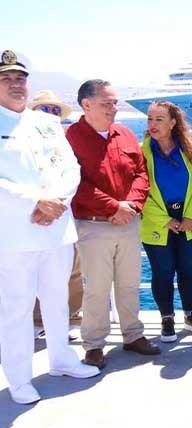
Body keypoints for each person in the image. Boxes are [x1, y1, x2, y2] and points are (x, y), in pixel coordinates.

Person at [0, 50, 99, 405]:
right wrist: (35, 202)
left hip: (56, 229)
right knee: (16, 309)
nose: (15, 84)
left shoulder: (46, 124)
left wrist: (56, 201)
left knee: (58, 301)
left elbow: (70, 168)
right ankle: (19, 377)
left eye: (20, 78)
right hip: (14, 235)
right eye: (7, 78)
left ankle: (61, 359)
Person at [67, 79, 160, 369]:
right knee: (96, 287)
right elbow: (74, 183)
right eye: (107, 103)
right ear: (87, 104)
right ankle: (94, 344)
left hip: (128, 222)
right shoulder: (71, 138)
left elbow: (141, 174)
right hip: (94, 224)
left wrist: (130, 205)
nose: (114, 108)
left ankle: (133, 335)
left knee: (130, 283)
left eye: (115, 102)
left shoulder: (125, 134)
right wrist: (113, 207)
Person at [141, 101, 192, 342]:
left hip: (188, 222)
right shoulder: (142, 152)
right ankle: (166, 319)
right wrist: (164, 219)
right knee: (162, 272)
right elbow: (139, 189)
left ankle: (191, 315)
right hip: (157, 223)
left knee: (188, 271)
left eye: (159, 119)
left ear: (172, 123)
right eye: (150, 119)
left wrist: (190, 216)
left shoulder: (189, 149)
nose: (153, 124)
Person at [27, 90, 83, 336]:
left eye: (55, 110)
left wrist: (60, 202)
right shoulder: (23, 140)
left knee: (73, 271)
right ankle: (38, 322)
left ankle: (71, 317)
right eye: (44, 109)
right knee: (34, 273)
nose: (51, 114)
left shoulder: (69, 140)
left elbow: (76, 173)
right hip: (32, 216)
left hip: (69, 215)